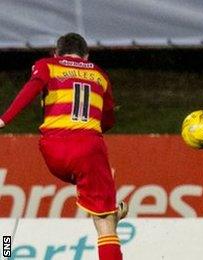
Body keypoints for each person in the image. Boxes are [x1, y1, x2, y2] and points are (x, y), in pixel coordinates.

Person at [0, 33, 127, 260]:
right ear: (86, 56)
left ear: (56, 52)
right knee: (105, 224)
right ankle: (108, 215)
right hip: (89, 148)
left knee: (98, 200)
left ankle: (106, 209)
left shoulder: (47, 65)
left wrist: (4, 119)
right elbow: (107, 120)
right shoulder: (100, 74)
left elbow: (30, 89)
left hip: (53, 148)